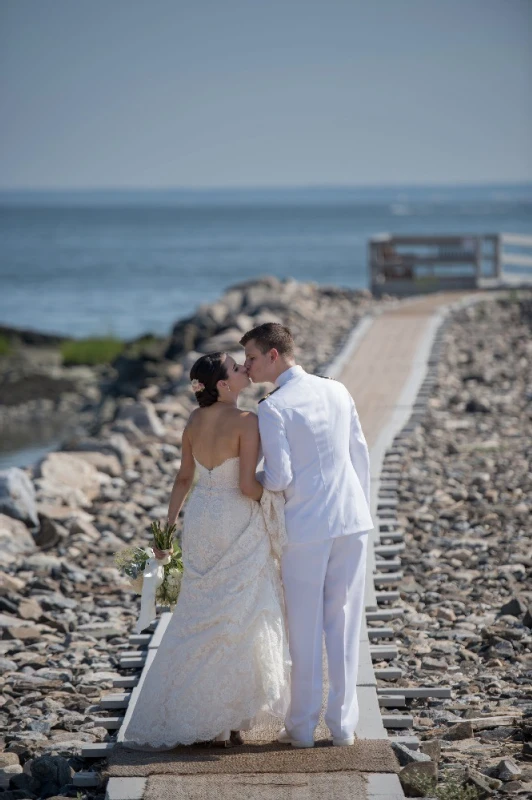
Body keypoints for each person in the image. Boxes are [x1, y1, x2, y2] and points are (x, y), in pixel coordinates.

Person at [121, 352, 290, 750]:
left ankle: (203, 716)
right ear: (222, 384)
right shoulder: (248, 421)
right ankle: (227, 715)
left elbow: (183, 477)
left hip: (200, 518)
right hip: (236, 516)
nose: (244, 369)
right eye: (236, 367)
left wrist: (167, 528)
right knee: (238, 613)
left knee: (199, 611)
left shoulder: (195, 421)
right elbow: (249, 487)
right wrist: (277, 500)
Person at [241, 323, 373, 748]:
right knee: (344, 623)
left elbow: (279, 477)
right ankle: (343, 727)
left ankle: (301, 728)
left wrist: (242, 481)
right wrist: (361, 507)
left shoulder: (272, 407)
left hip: (306, 527)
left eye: (253, 357)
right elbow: (360, 453)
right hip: (351, 520)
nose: (248, 365)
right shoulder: (337, 389)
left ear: (275, 356)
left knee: (304, 628)